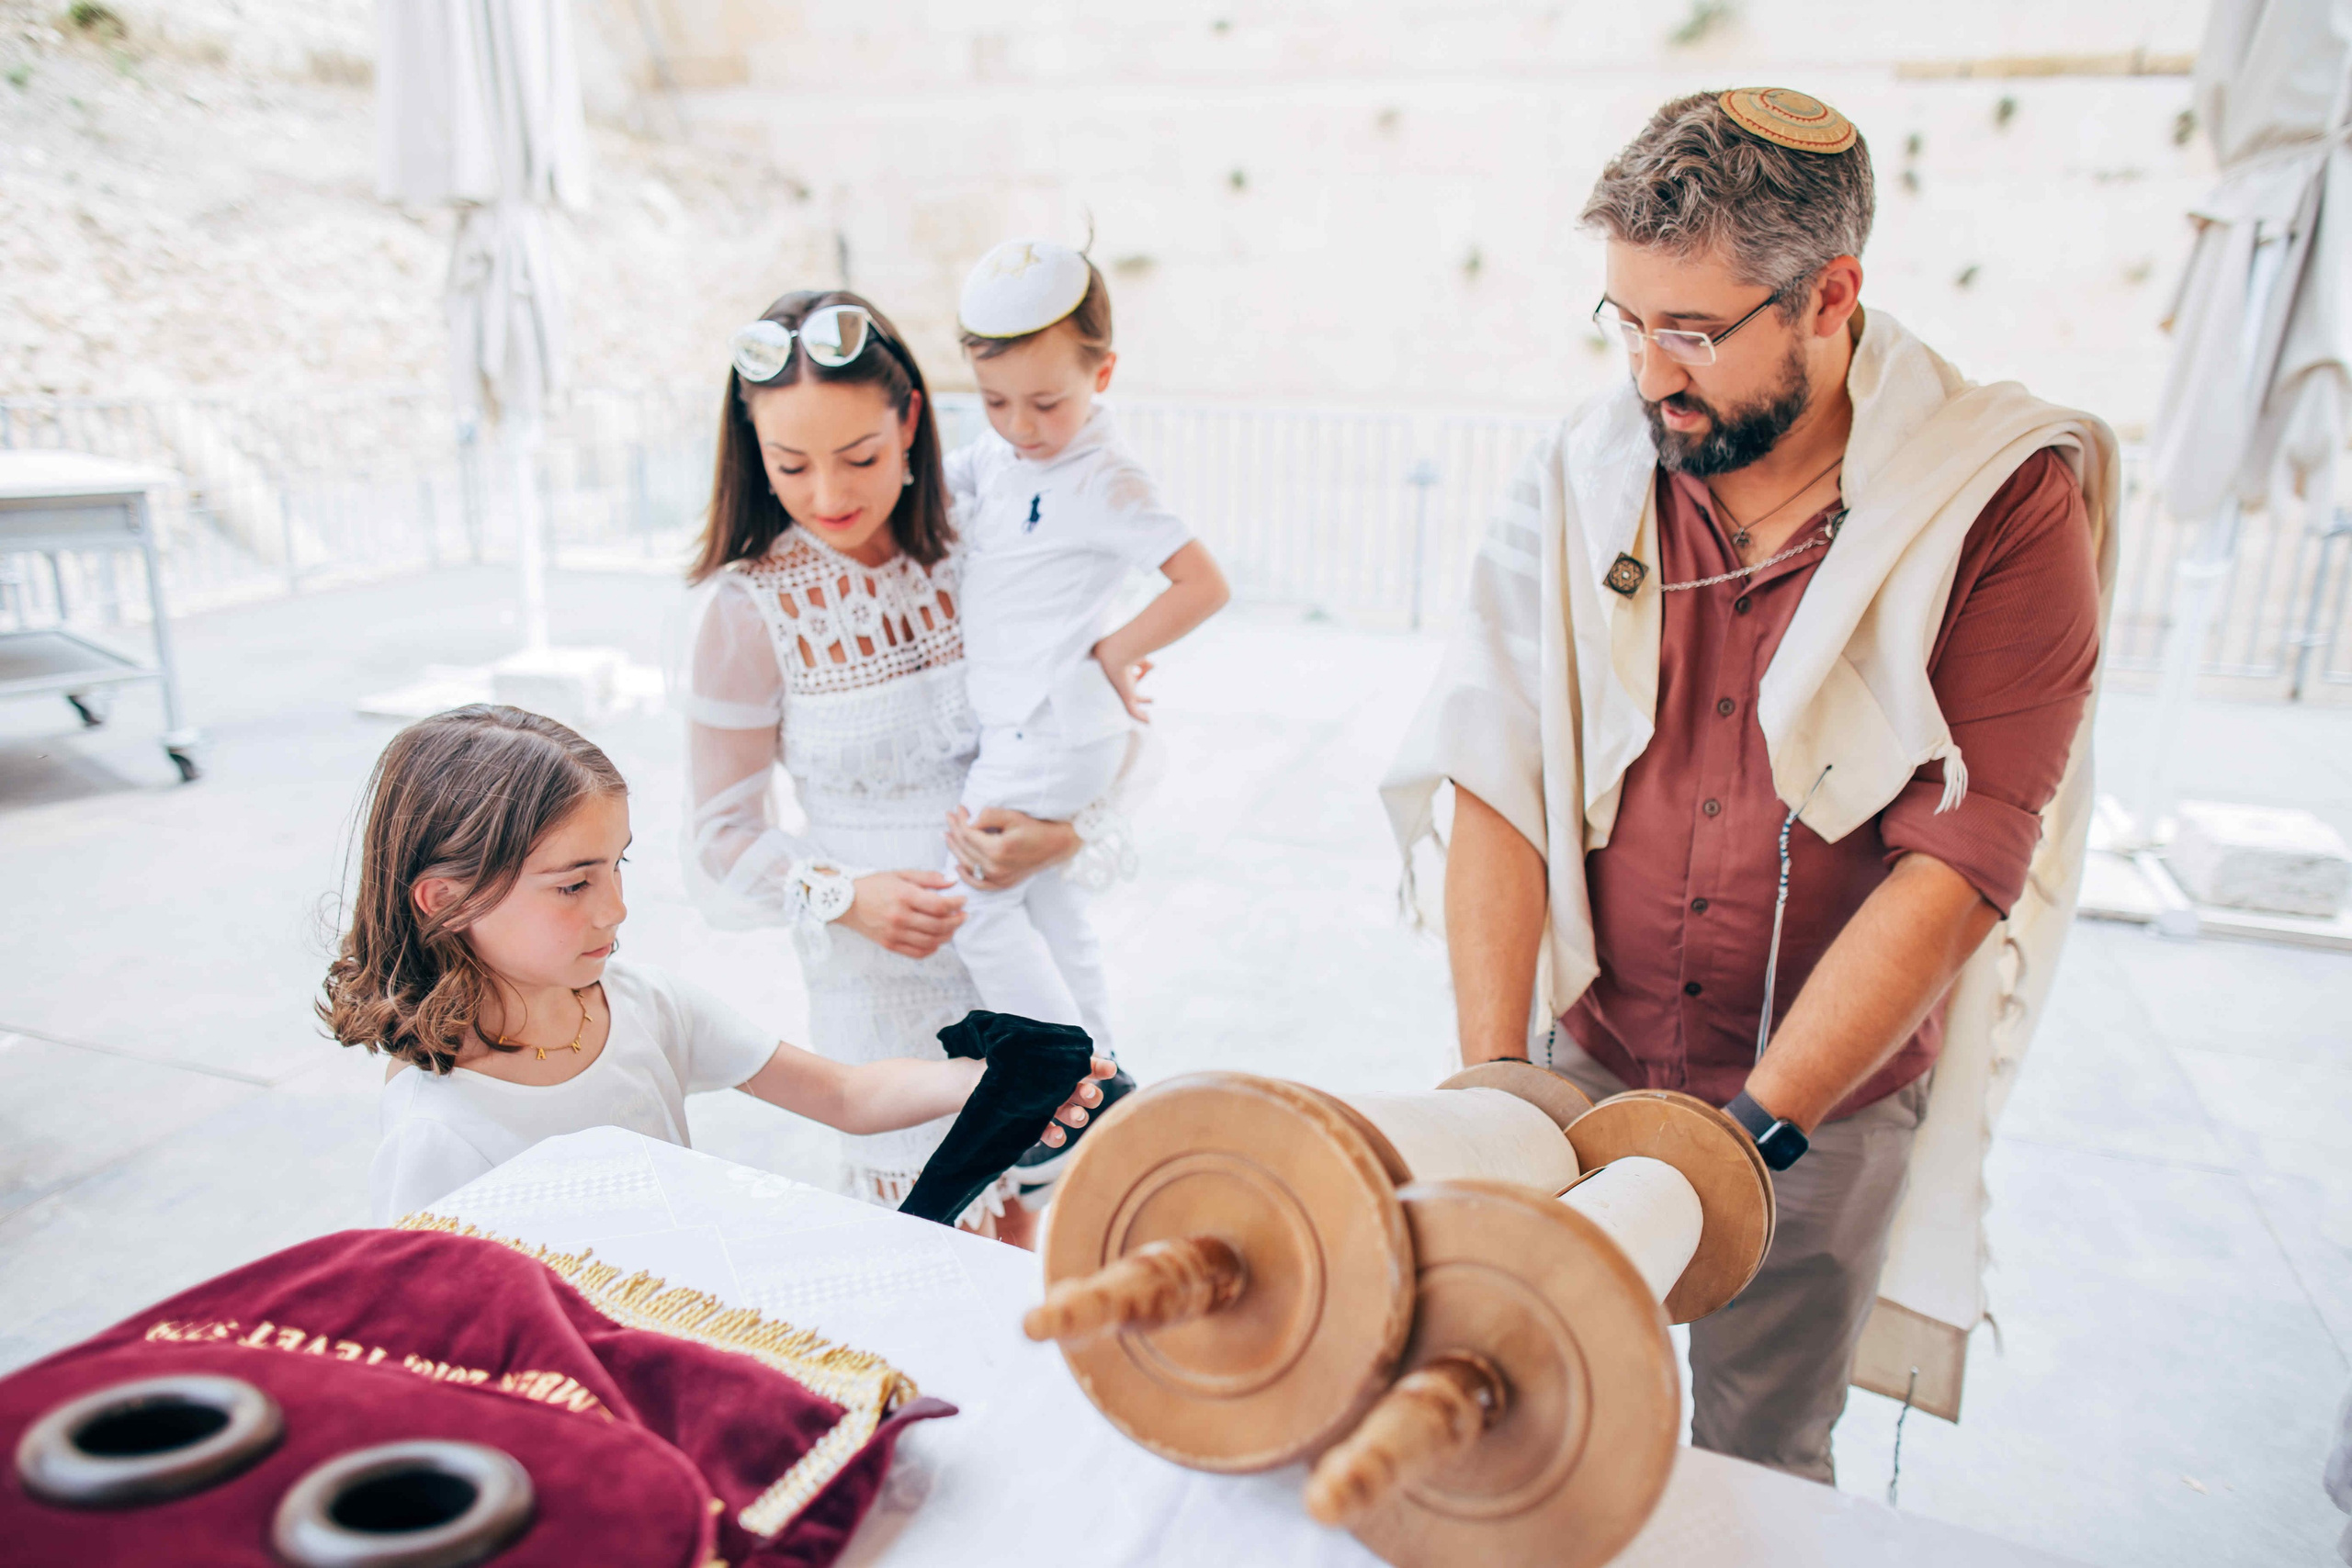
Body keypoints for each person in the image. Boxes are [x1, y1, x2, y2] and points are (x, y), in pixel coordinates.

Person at [1383, 88, 2119, 1482]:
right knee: (1514, 1411)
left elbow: (1961, 863)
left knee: (1759, 1458)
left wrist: (1749, 1136)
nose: (1651, 372)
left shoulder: (2001, 502)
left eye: (1695, 331)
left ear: (1830, 295)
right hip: (1588, 1048)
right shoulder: (1591, 460)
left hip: (1814, 1121)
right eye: (1626, 319)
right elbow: (1498, 762)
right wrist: (1499, 1080)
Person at [681, 289, 1116, 1246]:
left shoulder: (986, 544)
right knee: (933, 1243)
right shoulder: (749, 608)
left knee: (1052, 1233)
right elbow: (719, 836)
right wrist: (845, 895)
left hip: (1026, 953)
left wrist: (1066, 832)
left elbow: (1098, 715)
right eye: (790, 464)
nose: (829, 494)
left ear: (912, 418)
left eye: (860, 457)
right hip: (885, 983)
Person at [321, 704, 1111, 1227]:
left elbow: (845, 1091)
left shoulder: (641, 1006)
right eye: (574, 883)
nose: (614, 909)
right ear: (443, 898)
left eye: (615, 866)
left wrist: (987, 1082)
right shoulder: (438, 1133)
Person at [944, 237, 1230, 1064]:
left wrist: (1113, 650)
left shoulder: (1107, 474)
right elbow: (948, 476)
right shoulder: (1002, 452)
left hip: (1054, 728)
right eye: (994, 402)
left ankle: (1063, 1073)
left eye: (1045, 403)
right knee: (1048, 907)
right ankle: (1103, 1068)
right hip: (1031, 722)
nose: (1020, 427)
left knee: (977, 898)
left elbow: (1204, 583)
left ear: (1101, 375)